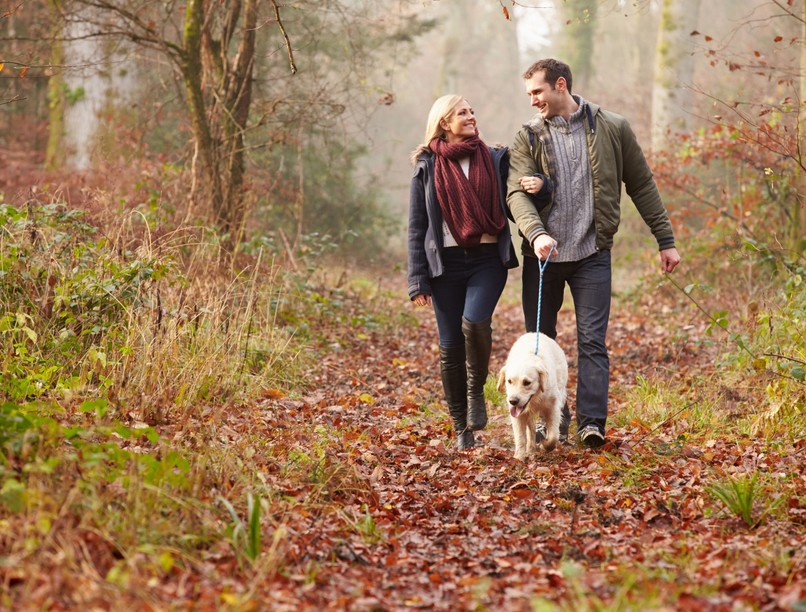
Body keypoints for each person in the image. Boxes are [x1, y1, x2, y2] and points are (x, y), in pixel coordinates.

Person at [506, 58, 681, 449]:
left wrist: (664, 239)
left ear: (561, 85)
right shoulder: (527, 137)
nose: (533, 100)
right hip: (543, 257)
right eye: (529, 94)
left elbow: (642, 184)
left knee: (592, 342)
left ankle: (591, 424)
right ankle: (545, 424)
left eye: (538, 91)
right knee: (539, 344)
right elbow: (516, 194)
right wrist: (535, 234)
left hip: (592, 254)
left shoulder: (612, 127)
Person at [408, 94, 519, 450]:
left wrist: (539, 189)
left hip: (487, 259)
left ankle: (476, 391)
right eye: (463, 113)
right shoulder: (426, 164)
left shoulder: (494, 157)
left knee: (474, 322)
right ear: (445, 122)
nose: (471, 117)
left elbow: (518, 199)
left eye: (472, 111)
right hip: (445, 266)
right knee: (450, 346)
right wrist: (418, 279)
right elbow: (417, 226)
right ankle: (461, 429)